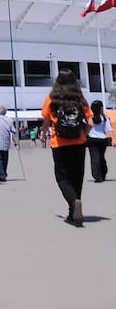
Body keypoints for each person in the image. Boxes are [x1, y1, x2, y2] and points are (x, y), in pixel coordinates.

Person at [40, 69, 94, 227]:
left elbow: (46, 121)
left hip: (59, 144)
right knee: (77, 176)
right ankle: (73, 211)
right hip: (79, 143)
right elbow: (90, 122)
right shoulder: (80, 99)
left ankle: (73, 202)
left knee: (62, 177)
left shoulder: (52, 99)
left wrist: (43, 135)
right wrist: (83, 134)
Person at [86, 100, 113, 182]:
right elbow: (109, 129)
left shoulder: (90, 118)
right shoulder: (105, 118)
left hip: (92, 139)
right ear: (101, 108)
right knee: (101, 157)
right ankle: (103, 173)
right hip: (103, 140)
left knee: (94, 158)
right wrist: (113, 139)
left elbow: (87, 129)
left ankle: (97, 176)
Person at [0, 106, 17, 182]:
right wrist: (15, 141)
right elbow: (13, 131)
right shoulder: (9, 120)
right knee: (5, 160)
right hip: (5, 143)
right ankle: (3, 173)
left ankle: (2, 175)